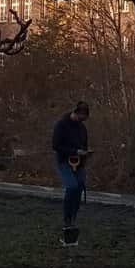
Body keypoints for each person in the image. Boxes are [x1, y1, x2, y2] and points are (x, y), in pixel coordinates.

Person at [51, 101, 91, 246]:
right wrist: (74, 151)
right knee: (72, 187)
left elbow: (84, 145)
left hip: (79, 164)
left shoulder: (82, 128)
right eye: (80, 117)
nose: (81, 120)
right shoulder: (61, 125)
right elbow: (56, 146)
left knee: (79, 187)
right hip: (64, 162)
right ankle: (67, 219)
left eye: (84, 119)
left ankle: (73, 217)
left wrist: (85, 154)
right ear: (75, 112)